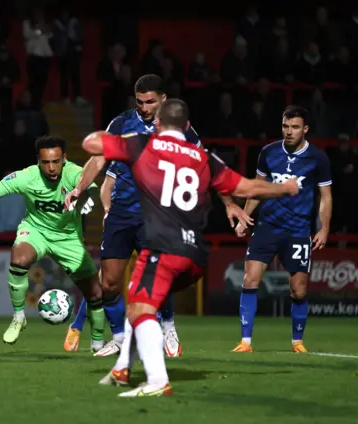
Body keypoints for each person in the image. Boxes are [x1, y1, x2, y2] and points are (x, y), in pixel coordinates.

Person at [82, 99, 299, 396]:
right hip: (195, 256)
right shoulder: (203, 157)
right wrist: (285, 188)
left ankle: (157, 381)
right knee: (138, 298)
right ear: (186, 126)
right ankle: (122, 367)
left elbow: (91, 143)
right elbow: (247, 188)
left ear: (157, 123)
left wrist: (120, 140)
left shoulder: (145, 144)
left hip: (163, 247)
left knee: (142, 309)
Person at [63, 74, 252, 357]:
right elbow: (99, 158)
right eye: (139, 102)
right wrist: (79, 188)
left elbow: (207, 167)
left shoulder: (181, 129)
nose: (144, 107)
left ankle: (168, 325)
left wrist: (228, 203)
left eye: (150, 102)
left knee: (158, 276)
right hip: (123, 213)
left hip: (158, 213)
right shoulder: (122, 123)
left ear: (163, 99)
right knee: (109, 283)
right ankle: (119, 337)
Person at [0, 136, 107, 350]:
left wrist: (88, 194)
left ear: (64, 159)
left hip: (68, 237)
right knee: (19, 257)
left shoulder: (73, 172)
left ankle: (97, 343)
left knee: (95, 294)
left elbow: (90, 183)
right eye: (45, 162)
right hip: (36, 231)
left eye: (56, 161)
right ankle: (18, 317)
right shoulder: (27, 177)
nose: (51, 167)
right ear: (38, 161)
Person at [232, 105, 332, 353]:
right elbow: (258, 187)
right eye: (286, 126)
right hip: (267, 226)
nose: (289, 131)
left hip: (298, 230)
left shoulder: (318, 158)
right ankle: (245, 342)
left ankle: (297, 342)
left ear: (305, 129)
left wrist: (324, 228)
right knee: (250, 279)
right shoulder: (268, 153)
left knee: (298, 290)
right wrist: (245, 215)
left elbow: (325, 196)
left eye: (295, 127)